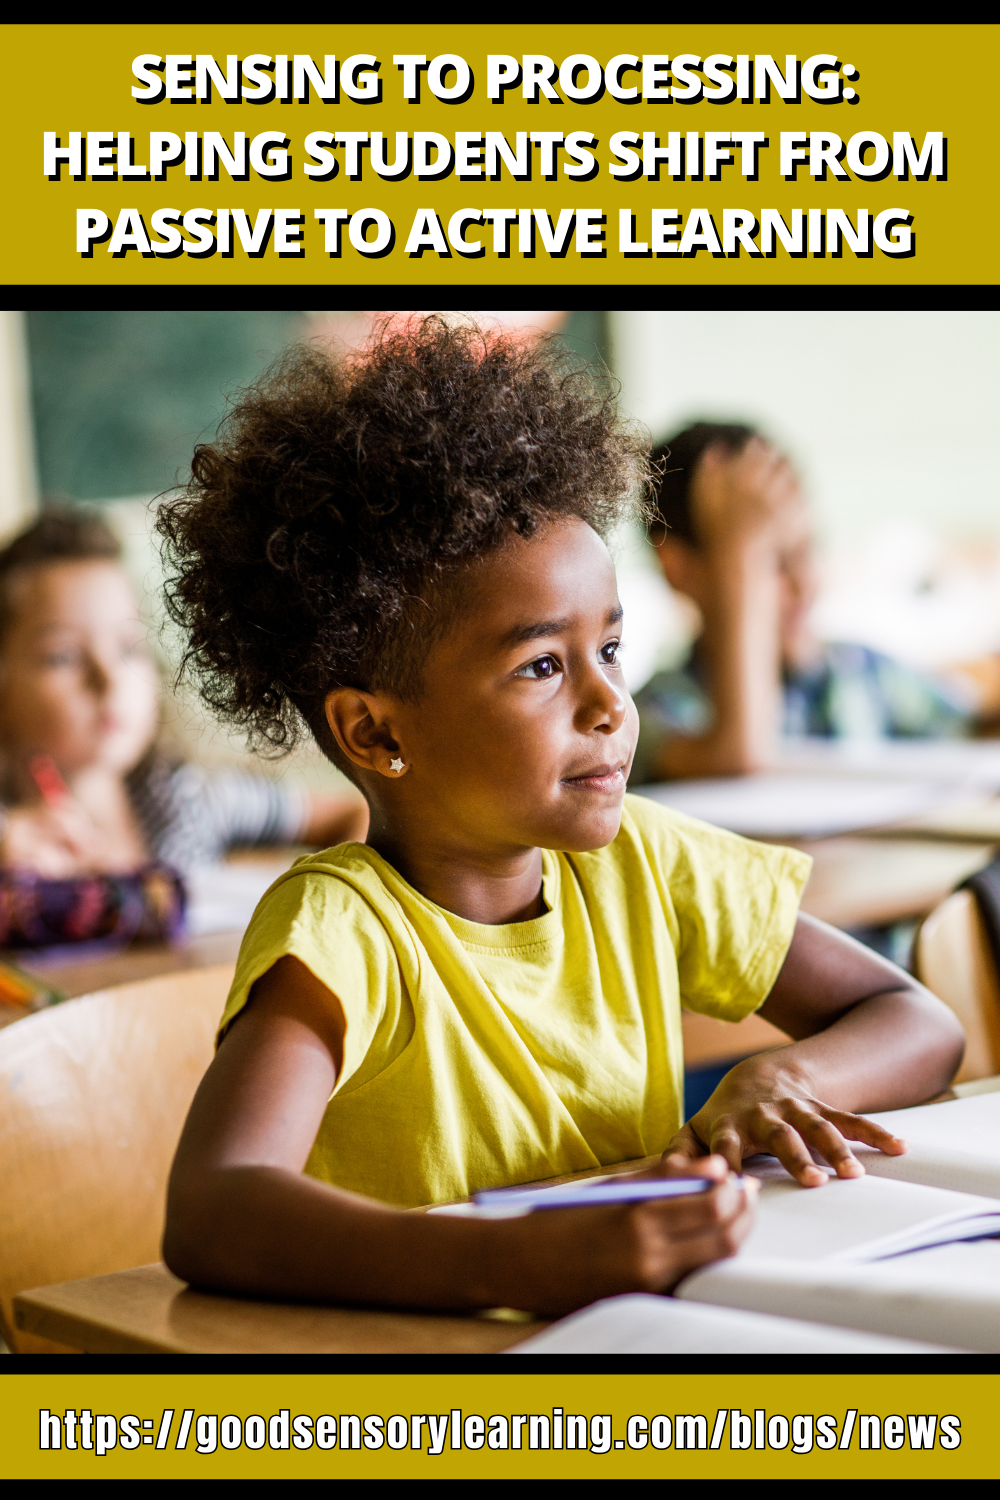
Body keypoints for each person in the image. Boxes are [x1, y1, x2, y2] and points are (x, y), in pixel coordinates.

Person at [158, 319, 963, 1319]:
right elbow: (214, 1208)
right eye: (542, 665)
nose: (609, 703)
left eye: (611, 651)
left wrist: (782, 1075)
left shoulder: (639, 860)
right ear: (374, 731)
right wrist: (517, 1262)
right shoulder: (346, 932)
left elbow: (915, 1020)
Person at [0, 510, 367, 947]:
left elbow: (355, 813)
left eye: (128, 648)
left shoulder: (190, 800)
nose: (109, 679)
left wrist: (329, 929)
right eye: (63, 656)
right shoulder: (7, 839)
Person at [630, 422, 978, 786]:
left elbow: (971, 716)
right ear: (679, 571)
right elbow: (738, 756)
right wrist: (743, 554)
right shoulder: (650, 714)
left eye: (808, 549)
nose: (804, 583)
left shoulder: (858, 673)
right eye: (772, 561)